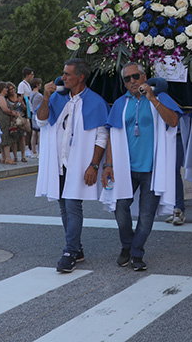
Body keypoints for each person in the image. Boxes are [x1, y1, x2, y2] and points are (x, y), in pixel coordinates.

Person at [104, 62, 182, 272]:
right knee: (121, 208)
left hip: (151, 168)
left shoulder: (160, 98)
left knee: (147, 215)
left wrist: (152, 98)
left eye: (135, 77)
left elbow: (173, 121)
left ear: (144, 77)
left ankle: (137, 252)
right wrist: (108, 164)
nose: (132, 81)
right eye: (127, 79)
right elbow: (112, 135)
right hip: (125, 168)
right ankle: (127, 245)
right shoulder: (120, 103)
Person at [35, 58, 110, 273]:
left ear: (80, 77)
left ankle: (69, 252)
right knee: (63, 206)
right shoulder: (57, 98)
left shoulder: (95, 102)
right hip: (59, 163)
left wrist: (94, 166)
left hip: (79, 163)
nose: (63, 77)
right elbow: (41, 121)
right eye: (64, 73)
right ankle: (77, 248)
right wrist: (46, 97)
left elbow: (101, 137)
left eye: (68, 74)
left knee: (72, 206)